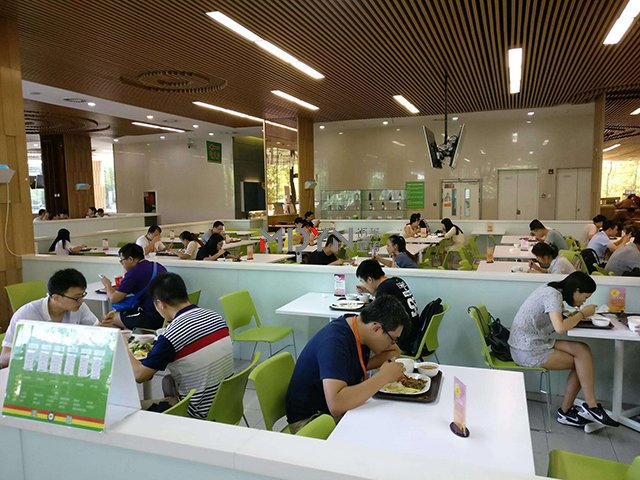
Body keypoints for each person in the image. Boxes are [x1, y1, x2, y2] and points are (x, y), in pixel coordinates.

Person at [508, 272, 619, 428]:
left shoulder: (554, 290)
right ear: (576, 290)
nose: (584, 301)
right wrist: (582, 313)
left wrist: (576, 315)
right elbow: (560, 327)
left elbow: (558, 319)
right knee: (581, 364)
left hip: (536, 341)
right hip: (526, 349)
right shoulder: (552, 295)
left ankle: (589, 406)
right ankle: (578, 409)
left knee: (583, 350)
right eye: (585, 297)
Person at [285, 295, 409, 431]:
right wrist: (383, 377)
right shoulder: (335, 341)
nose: (392, 344)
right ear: (376, 328)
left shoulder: (358, 325)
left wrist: (359, 367)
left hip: (330, 409)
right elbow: (336, 405)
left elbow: (394, 352)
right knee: (382, 428)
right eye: (392, 339)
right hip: (311, 421)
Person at [126, 273, 233, 418]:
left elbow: (140, 376)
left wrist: (123, 345)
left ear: (160, 303)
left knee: (129, 410)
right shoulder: (215, 317)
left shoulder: (171, 336)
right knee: (168, 381)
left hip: (198, 413)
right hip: (227, 404)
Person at [0, 269, 98, 368]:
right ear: (56, 297)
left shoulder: (78, 307)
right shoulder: (25, 315)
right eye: (77, 298)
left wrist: (105, 325)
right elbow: (4, 359)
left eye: (83, 295)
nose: (81, 301)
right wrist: (35, 352)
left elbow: (96, 332)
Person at [355, 259, 419, 353]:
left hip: (404, 339)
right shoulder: (396, 281)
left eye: (362, 281)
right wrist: (368, 290)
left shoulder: (384, 289)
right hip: (415, 333)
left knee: (364, 332)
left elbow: (375, 318)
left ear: (370, 279)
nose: (364, 285)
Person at [100, 243, 167, 330]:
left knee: (108, 320)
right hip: (164, 314)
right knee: (114, 318)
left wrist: (107, 285)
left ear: (130, 259)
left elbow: (114, 298)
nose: (122, 264)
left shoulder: (133, 273)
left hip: (149, 317)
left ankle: (127, 338)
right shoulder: (158, 266)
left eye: (122, 261)